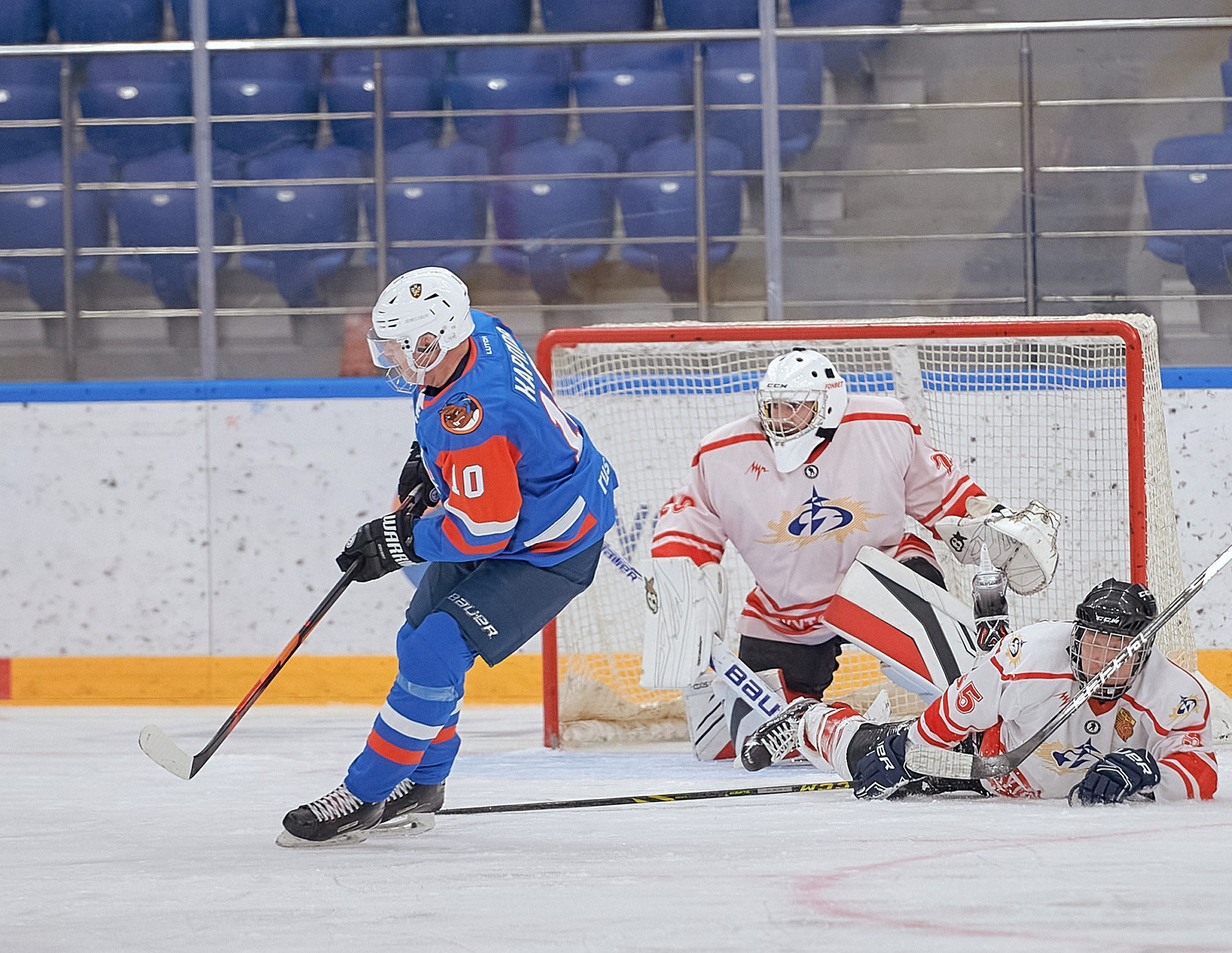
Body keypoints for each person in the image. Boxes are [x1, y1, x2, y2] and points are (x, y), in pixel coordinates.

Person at [280, 269, 619, 846]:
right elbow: (465, 442)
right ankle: (422, 784)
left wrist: (399, 541)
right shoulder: (476, 330)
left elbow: (483, 530)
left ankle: (364, 794)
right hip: (521, 510)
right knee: (418, 636)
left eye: (397, 346)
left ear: (431, 341)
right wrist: (426, 460)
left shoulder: (474, 417)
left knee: (435, 647)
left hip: (550, 545)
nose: (389, 357)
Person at [643, 347, 1061, 756]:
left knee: (946, 665)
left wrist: (991, 524)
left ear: (828, 405)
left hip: (881, 576)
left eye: (795, 406)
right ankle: (831, 727)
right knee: (747, 737)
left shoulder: (884, 424)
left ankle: (970, 723)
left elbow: (942, 494)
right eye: (773, 407)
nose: (781, 417)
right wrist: (679, 580)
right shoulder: (722, 453)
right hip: (787, 607)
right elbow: (688, 524)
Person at [747, 579, 1217, 803]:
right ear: (1077, 635)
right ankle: (808, 719)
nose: (1101, 657)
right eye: (1093, 640)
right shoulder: (1028, 657)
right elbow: (956, 710)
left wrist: (1149, 771)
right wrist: (908, 752)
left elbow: (1201, 772)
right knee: (866, 756)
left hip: (1045, 795)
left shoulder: (1174, 693)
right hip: (987, 761)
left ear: (1143, 649)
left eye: (1117, 646)